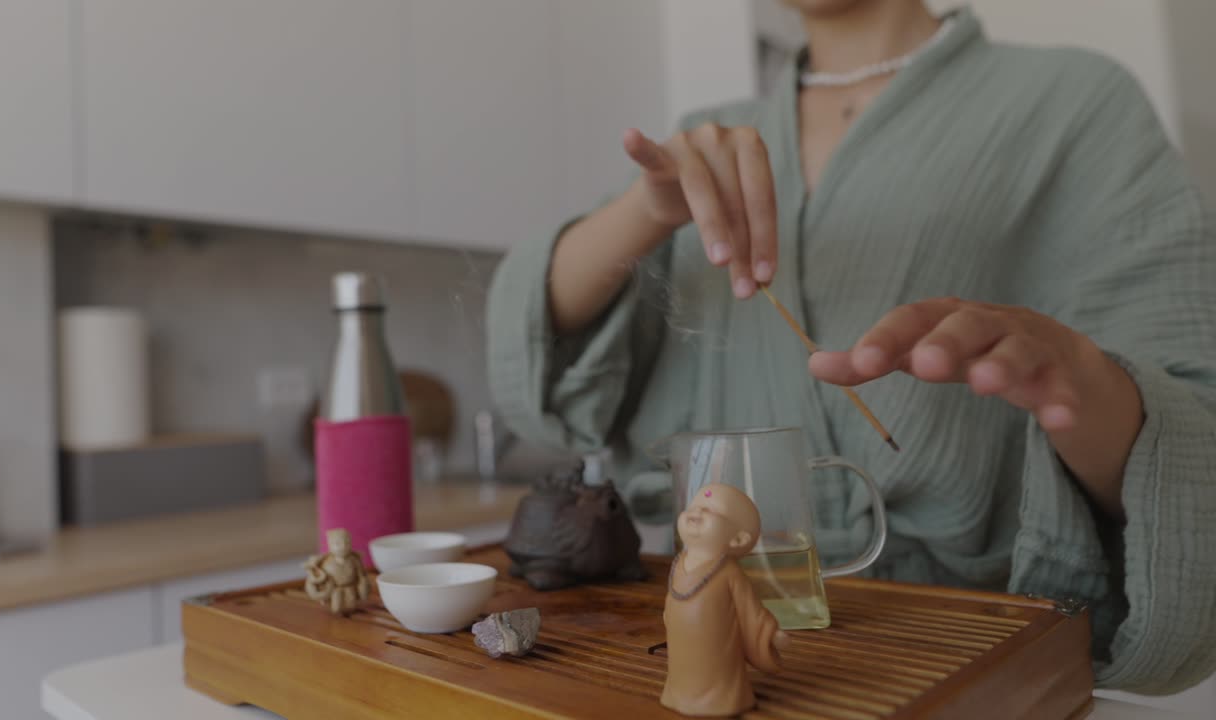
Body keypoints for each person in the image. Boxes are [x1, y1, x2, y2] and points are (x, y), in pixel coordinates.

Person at [486, 0, 1216, 694]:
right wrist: (643, 211)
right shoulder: (708, 136)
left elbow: (1188, 425)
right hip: (713, 628)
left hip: (963, 648)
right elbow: (545, 363)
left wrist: (1080, 388)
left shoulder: (1073, 102)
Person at [661, 483, 785, 717]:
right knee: (682, 670)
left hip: (717, 651)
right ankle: (677, 693)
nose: (696, 513)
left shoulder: (729, 572)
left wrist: (769, 633)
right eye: (695, 506)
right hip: (681, 644)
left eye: (711, 511)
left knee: (713, 675)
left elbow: (750, 611)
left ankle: (720, 701)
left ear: (737, 539)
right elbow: (674, 596)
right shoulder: (679, 563)